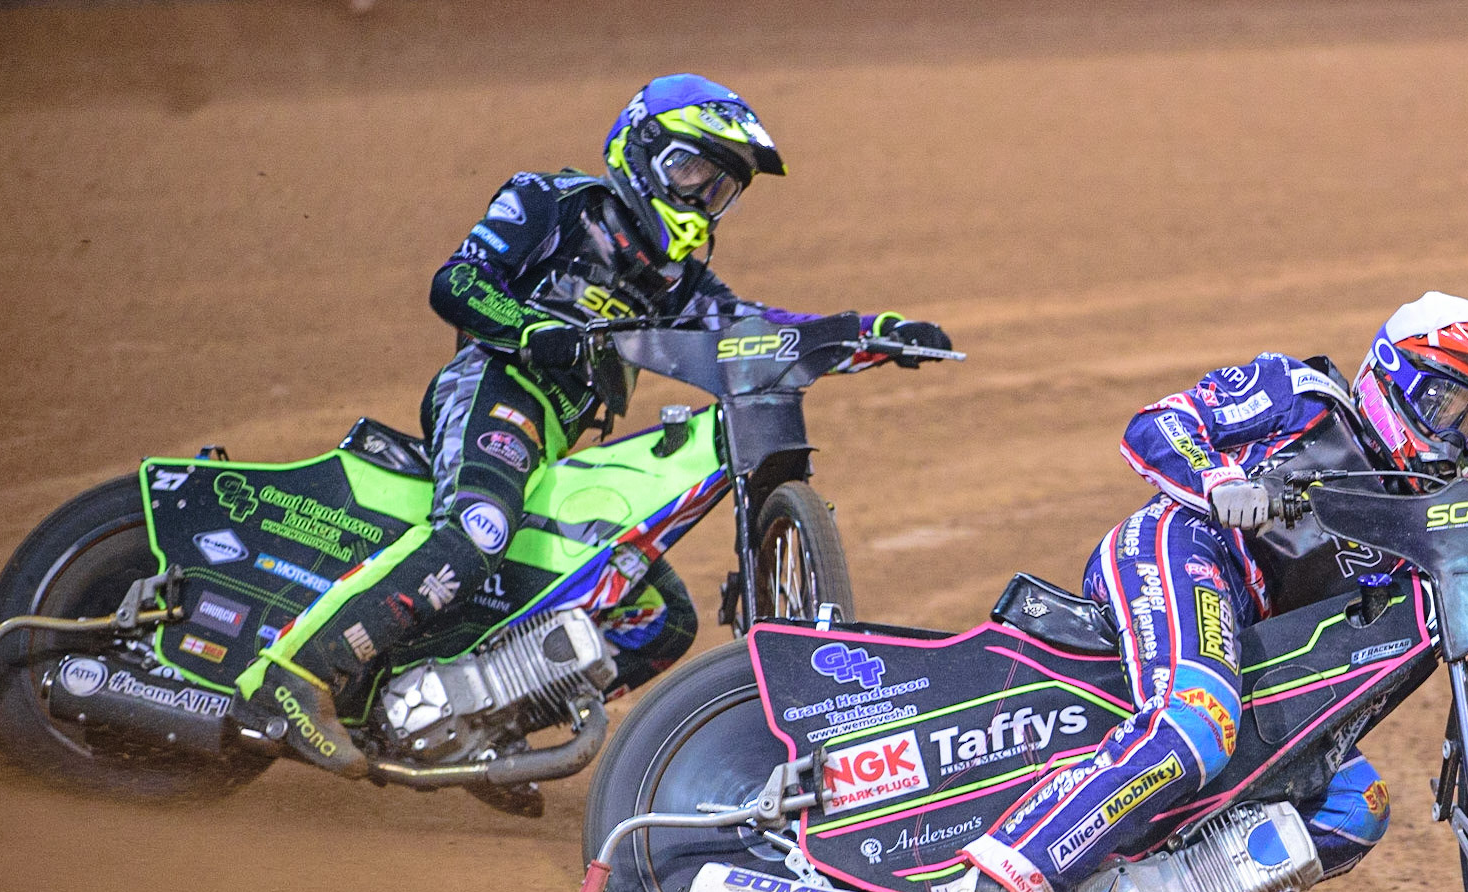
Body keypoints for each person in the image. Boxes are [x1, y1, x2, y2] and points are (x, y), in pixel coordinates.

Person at [232, 74, 950, 810]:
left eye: (720, 187)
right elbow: (456, 283)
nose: (701, 197)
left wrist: (866, 333)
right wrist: (529, 329)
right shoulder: (552, 202)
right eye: (690, 170)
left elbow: (755, 328)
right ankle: (296, 675)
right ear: (640, 151)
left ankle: (486, 729)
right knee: (477, 530)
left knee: (660, 619)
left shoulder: (675, 279)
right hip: (496, 387)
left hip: (554, 445)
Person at [948, 291, 1468, 892]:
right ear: (1391, 378)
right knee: (1196, 720)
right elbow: (1157, 423)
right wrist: (1220, 480)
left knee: (1358, 804)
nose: (1458, 439)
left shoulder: (1434, 518)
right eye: (1449, 406)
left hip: (1263, 645)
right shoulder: (1301, 395)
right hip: (1184, 549)